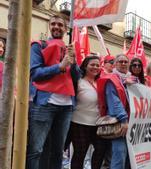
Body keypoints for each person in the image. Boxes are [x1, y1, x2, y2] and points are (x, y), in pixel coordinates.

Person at [26, 15, 80, 169]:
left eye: (60, 25)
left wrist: (74, 62)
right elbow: (34, 73)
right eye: (54, 24)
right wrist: (60, 66)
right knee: (36, 150)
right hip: (44, 104)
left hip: (66, 106)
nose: (57, 27)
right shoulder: (38, 46)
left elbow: (76, 78)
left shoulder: (69, 49)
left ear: (65, 29)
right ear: (49, 26)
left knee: (58, 150)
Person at [70, 56, 110, 169]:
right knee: (79, 154)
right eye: (92, 64)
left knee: (100, 152)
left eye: (98, 65)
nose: (95, 67)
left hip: (98, 124)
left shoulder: (101, 82)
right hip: (79, 123)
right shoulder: (78, 81)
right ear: (85, 66)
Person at [97, 54, 134, 169]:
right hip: (120, 123)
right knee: (119, 155)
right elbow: (114, 102)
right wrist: (123, 119)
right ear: (115, 64)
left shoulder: (133, 80)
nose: (123, 64)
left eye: (125, 62)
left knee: (130, 158)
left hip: (133, 123)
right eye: (120, 62)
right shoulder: (111, 79)